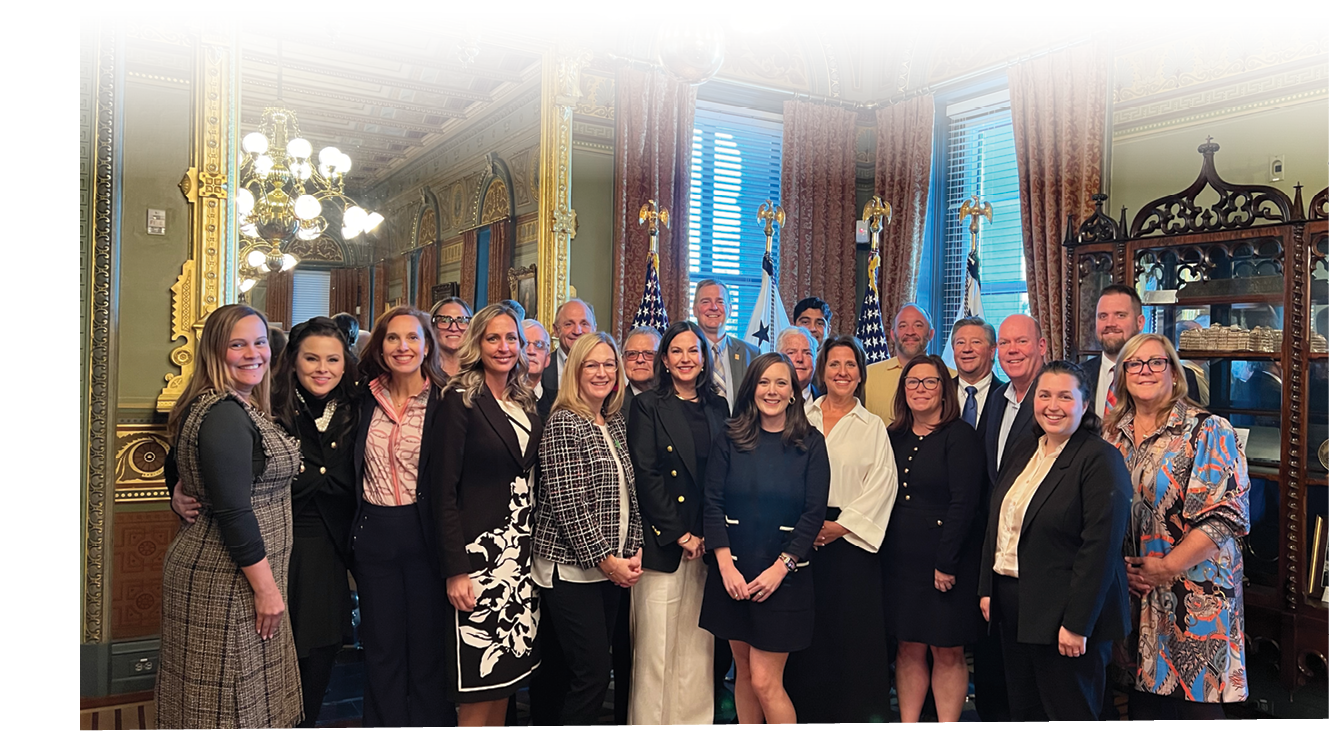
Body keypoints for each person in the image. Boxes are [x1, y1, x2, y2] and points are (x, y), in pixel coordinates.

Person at [156, 304, 303, 729]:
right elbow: (235, 511)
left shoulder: (229, 405)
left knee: (228, 703)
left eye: (259, 342)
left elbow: (187, 470)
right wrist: (267, 590)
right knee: (225, 708)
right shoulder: (222, 413)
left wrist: (179, 493)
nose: (253, 353)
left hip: (233, 574)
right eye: (237, 344)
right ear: (215, 352)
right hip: (227, 579)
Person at [1103, 334, 1250, 720]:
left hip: (1194, 597)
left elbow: (1225, 518)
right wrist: (1122, 571)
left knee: (1191, 709)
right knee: (1143, 705)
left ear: (1174, 371)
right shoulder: (1111, 434)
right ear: (1122, 374)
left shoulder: (1208, 430)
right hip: (1134, 594)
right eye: (1134, 363)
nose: (1145, 371)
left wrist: (1166, 568)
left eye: (1156, 362)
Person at [978, 361, 1132, 721]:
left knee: (1070, 713)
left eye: (1065, 396)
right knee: (1024, 711)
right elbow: (997, 521)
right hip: (1014, 606)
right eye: (1044, 395)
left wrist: (1077, 624)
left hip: (1066, 615)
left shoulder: (1099, 459)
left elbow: (1100, 550)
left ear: (1084, 404)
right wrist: (988, 586)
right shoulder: (1025, 449)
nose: (1052, 405)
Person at [699, 352, 831, 724]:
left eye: (781, 383)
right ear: (751, 388)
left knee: (765, 680)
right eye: (764, 382)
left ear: (793, 392)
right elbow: (712, 501)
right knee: (744, 673)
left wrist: (781, 569)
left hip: (783, 580)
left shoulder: (811, 444)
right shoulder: (729, 436)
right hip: (734, 577)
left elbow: (813, 514)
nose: (771, 391)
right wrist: (725, 566)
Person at [433, 303, 543, 725]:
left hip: (519, 562)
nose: (503, 346)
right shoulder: (458, 400)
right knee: (477, 683)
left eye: (511, 338)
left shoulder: (523, 401)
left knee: (505, 680)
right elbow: (442, 491)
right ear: (477, 343)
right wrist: (455, 570)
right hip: (478, 562)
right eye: (493, 338)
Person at [533, 332, 644, 725]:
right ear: (575, 371)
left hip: (610, 568)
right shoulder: (564, 422)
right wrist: (607, 561)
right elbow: (569, 507)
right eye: (591, 365)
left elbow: (628, 491)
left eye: (609, 364)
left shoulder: (610, 420)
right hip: (572, 571)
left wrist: (633, 550)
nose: (602, 372)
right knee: (592, 674)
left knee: (594, 671)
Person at [785, 336, 897, 723]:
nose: (842, 372)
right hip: (801, 538)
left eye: (851, 365)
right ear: (822, 370)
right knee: (806, 633)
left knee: (851, 638)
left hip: (850, 543)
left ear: (861, 373)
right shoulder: (801, 417)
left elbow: (884, 484)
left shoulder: (873, 427)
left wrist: (839, 526)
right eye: (835, 364)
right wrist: (806, 526)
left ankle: (854, 716)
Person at [352, 306, 455, 727]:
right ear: (380, 345)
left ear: (427, 344)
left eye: (412, 337)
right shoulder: (362, 397)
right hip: (375, 532)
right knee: (381, 645)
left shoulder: (448, 400)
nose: (403, 347)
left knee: (428, 646)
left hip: (426, 532)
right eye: (393, 338)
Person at [625, 320, 729, 724]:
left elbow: (722, 474)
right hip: (664, 543)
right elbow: (646, 474)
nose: (686, 359)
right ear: (664, 360)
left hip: (708, 544)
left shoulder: (718, 406)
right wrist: (681, 533)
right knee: (656, 649)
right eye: (677, 352)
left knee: (698, 648)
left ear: (704, 358)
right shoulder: (647, 405)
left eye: (693, 351)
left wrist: (708, 534)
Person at [880, 354, 984, 722]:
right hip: (898, 562)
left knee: (946, 651)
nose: (920, 389)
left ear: (945, 391)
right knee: (908, 647)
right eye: (912, 382)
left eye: (929, 382)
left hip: (945, 563)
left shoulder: (961, 437)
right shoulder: (891, 436)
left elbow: (965, 504)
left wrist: (946, 562)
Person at [948, 315, 1009, 720]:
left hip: (994, 536)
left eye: (976, 342)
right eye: (960, 342)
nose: (967, 349)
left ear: (992, 350)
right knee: (943, 637)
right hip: (943, 534)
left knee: (989, 639)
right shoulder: (936, 391)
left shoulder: (1013, 397)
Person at [1083, 284, 1198, 415]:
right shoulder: (1078, 376)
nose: (1110, 323)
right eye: (1103, 316)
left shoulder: (1178, 377)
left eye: (1120, 315)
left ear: (1140, 322)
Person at [986, 314, 1047, 492]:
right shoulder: (997, 398)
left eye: (1021, 341)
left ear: (1041, 346)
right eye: (1004, 343)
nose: (1012, 350)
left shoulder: (1055, 398)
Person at [865, 304, 953, 425]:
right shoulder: (868, 375)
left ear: (931, 334)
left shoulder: (952, 377)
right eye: (902, 326)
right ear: (892, 334)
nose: (910, 332)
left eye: (918, 325)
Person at [693, 279, 759, 413]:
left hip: (741, 432)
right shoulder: (685, 355)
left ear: (730, 310)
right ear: (695, 310)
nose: (714, 307)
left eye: (720, 302)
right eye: (706, 302)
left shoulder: (752, 354)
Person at [539, 298, 597, 407]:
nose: (577, 331)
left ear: (594, 329)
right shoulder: (541, 369)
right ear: (556, 330)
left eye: (584, 324)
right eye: (569, 324)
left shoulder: (608, 371)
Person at [431, 296, 473, 377]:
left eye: (462, 320)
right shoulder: (421, 371)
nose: (453, 328)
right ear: (432, 326)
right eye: (445, 321)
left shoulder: (481, 370)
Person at [522, 318, 555, 419]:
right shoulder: (498, 398)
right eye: (524, 344)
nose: (531, 351)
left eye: (539, 345)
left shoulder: (557, 403)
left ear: (547, 359)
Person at [622, 325, 663, 407]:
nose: (640, 360)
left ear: (663, 359)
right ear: (623, 361)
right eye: (632, 354)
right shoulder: (611, 407)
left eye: (649, 353)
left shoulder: (678, 402)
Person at [777, 326, 819, 403]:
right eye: (791, 353)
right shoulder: (764, 401)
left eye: (807, 353)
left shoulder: (827, 402)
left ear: (815, 361)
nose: (799, 359)